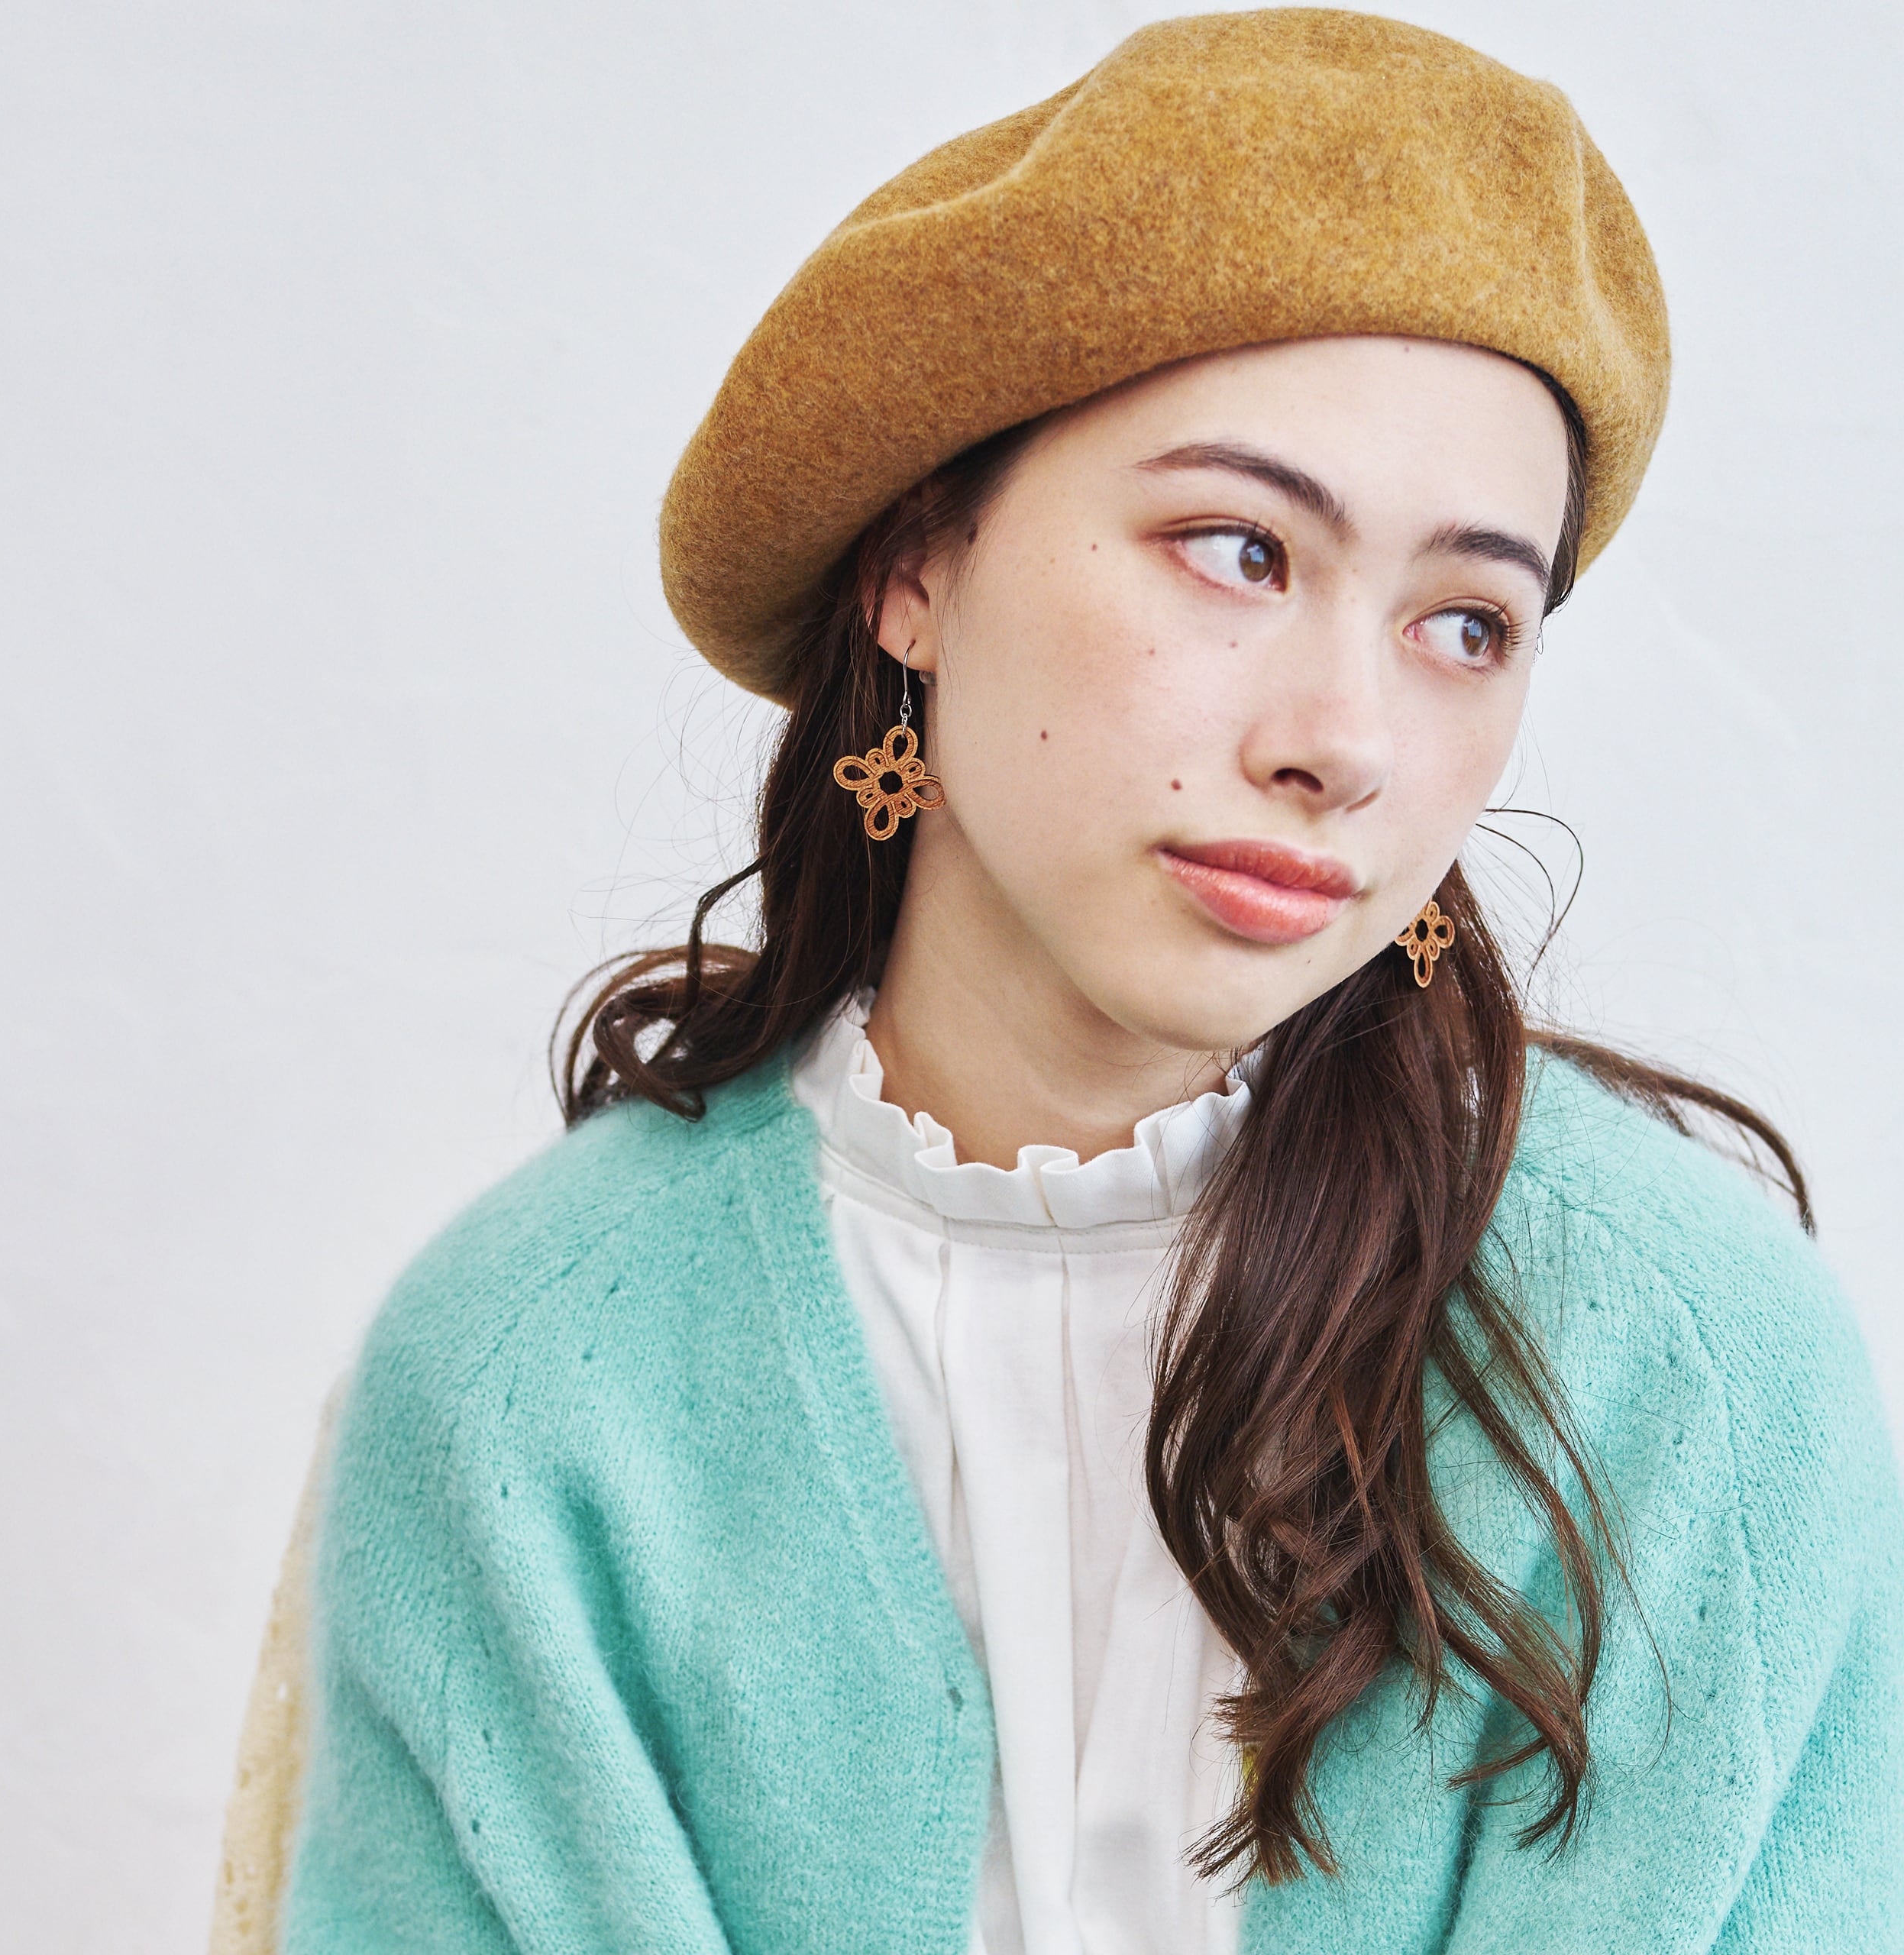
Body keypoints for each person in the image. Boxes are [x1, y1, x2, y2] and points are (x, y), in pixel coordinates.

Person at [272, 11, 1904, 1952]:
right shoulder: (531, 1383)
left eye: (1466, 621)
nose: (1343, 740)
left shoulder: (1683, 1372)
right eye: (1234, 549)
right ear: (916, 568)